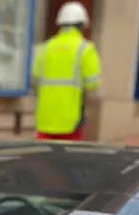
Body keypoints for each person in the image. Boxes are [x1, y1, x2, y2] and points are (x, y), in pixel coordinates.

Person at [32, 2, 101, 141]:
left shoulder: (45, 48)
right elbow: (92, 84)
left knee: (43, 160)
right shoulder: (86, 49)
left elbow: (35, 80)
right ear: (82, 25)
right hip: (71, 120)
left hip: (45, 119)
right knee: (68, 160)